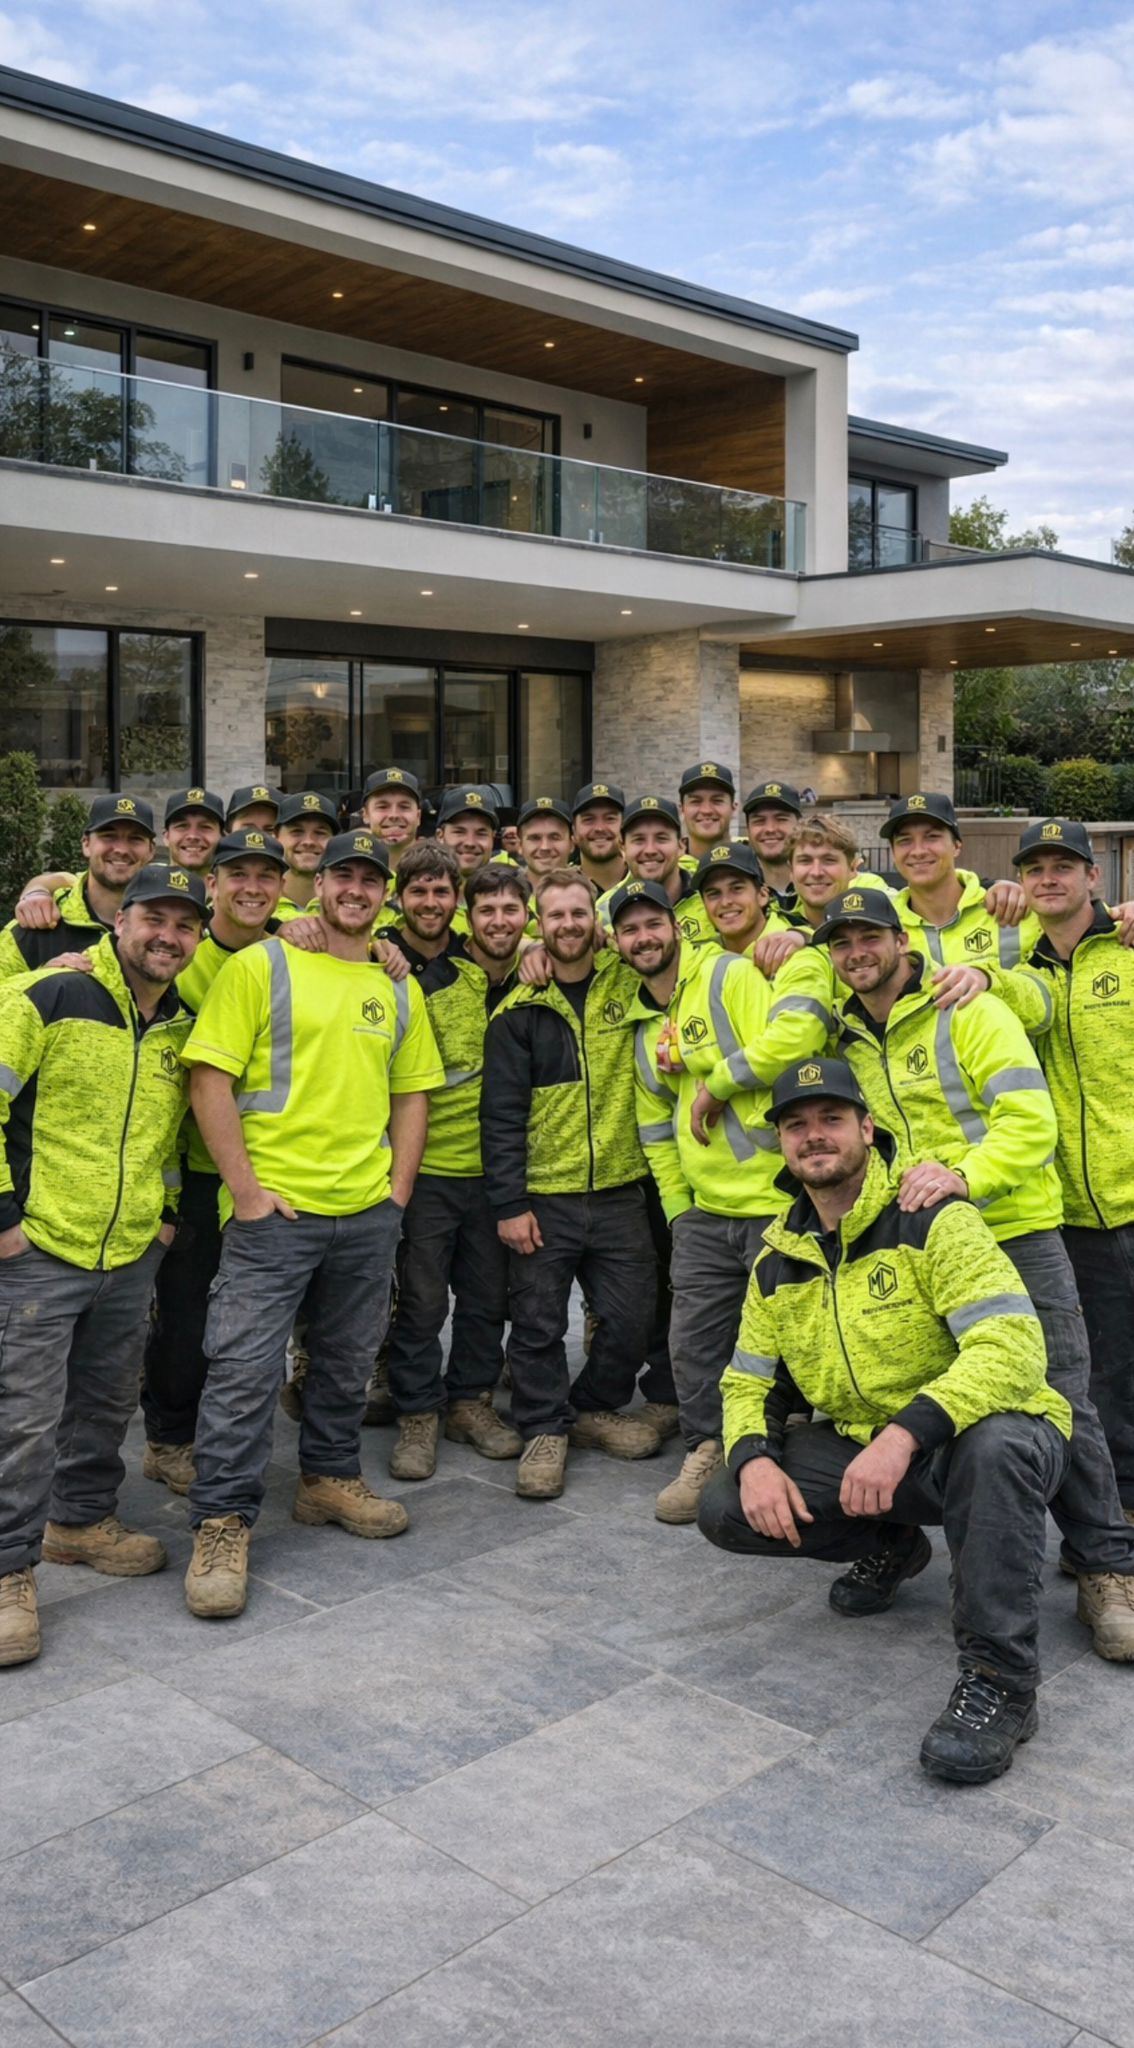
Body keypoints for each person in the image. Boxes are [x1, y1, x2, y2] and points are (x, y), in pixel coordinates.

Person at [699, 1058, 1072, 1786]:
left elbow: (1014, 1347)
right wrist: (753, 1459)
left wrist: (906, 1434)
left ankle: (1001, 1681)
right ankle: (893, 1546)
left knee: (995, 1446)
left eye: (831, 1119)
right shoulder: (777, 1257)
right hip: (864, 1449)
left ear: (867, 1129)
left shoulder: (932, 1216)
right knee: (725, 1506)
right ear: (781, 1144)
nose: (814, 1136)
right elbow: (748, 1380)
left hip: (976, 1438)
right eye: (796, 1125)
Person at [821, 884, 1134, 1658]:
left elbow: (1030, 1122)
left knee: (1065, 1397)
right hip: (927, 1249)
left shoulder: (967, 1005)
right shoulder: (846, 1043)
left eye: (869, 937)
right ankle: (901, 1541)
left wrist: (966, 1173)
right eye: (841, 943)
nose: (857, 952)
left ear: (900, 939)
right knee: (913, 1388)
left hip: (1015, 1228)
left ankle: (1105, 1567)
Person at [180, 828, 443, 1620]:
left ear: (383, 892)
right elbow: (209, 1081)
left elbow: (411, 1094)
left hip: (364, 1213)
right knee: (243, 1371)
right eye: (343, 878)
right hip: (276, 1212)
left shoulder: (397, 984)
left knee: (345, 1359)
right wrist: (249, 1193)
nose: (356, 890)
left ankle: (328, 1480)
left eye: (370, 880)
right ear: (316, 884)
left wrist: (395, 1194)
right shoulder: (262, 964)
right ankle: (222, 1521)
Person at [0, 864, 207, 1668]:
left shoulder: (180, 1024)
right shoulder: (50, 996)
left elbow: (163, 1139)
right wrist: (5, 1222)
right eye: (154, 917)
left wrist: (159, 1220)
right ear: (118, 921)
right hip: (40, 1248)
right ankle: (9, 1570)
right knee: (21, 1417)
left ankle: (79, 1522)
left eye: (185, 925)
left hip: (126, 1257)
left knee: (106, 1399)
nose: (169, 935)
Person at [619, 852, 831, 1524]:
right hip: (706, 1214)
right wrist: (680, 1212)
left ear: (678, 928)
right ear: (617, 945)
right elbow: (655, 1130)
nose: (644, 938)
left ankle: (786, 1450)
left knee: (797, 1341)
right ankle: (707, 1447)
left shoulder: (732, 974)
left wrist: (714, 1074)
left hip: (776, 1200)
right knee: (698, 1343)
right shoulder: (645, 1025)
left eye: (654, 923)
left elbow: (791, 1048)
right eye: (629, 930)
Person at [481, 867, 662, 1500]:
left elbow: (674, 954)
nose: (567, 925)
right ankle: (544, 1428)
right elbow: (500, 1116)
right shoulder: (519, 1011)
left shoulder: (629, 980)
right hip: (545, 1196)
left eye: (578, 913)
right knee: (536, 1323)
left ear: (597, 921)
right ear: (539, 924)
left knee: (633, 1316)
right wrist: (509, 1202)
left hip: (620, 1189)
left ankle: (591, 1407)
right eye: (553, 916)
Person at [140, 829, 289, 1494]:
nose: (251, 887)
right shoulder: (183, 954)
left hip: (271, 1169)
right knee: (186, 1313)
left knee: (256, 1318)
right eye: (238, 875)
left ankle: (227, 1430)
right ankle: (170, 1438)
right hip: (193, 1171)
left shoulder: (292, 953)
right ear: (213, 884)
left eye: (266, 875)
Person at [382, 848, 527, 1478]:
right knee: (419, 1299)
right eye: (421, 892)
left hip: (493, 1171)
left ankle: (470, 1400)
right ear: (401, 897)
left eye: (443, 892)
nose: (431, 904)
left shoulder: (487, 966)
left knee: (485, 1297)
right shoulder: (397, 968)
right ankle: (418, 1412)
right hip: (426, 1168)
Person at [1011, 819, 1134, 1524]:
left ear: (1095, 876)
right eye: (1036, 868)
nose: (1049, 878)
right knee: (1106, 1377)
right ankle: (1121, 1520)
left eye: (1065, 865)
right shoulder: (1025, 976)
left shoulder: (1127, 946)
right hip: (1078, 1218)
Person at [0, 794, 157, 977]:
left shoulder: (169, 923)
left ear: (151, 850)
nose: (121, 849)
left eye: (135, 839)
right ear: (86, 844)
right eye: (109, 836)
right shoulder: (38, 926)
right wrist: (42, 983)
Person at [883, 791, 1033, 969]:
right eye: (905, 840)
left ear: (956, 846)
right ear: (893, 853)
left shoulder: (1011, 905)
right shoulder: (884, 924)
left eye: (932, 837)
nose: (918, 851)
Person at [597, 796, 716, 948]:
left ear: (681, 846)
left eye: (661, 838)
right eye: (639, 840)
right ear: (622, 848)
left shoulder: (711, 897)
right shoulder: (603, 913)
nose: (650, 850)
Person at [273, 791, 338, 919]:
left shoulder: (346, 904)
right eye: (297, 832)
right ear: (276, 837)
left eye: (320, 833)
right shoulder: (261, 902)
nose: (308, 842)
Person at [742, 781, 804, 909]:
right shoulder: (739, 896)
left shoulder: (823, 886)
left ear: (800, 825)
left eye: (781, 819)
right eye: (759, 821)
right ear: (748, 830)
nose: (770, 829)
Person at [570, 782, 629, 893]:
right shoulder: (560, 888)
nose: (599, 828)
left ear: (624, 827)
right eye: (588, 819)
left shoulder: (645, 882)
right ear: (574, 831)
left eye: (610, 818)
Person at [359, 768, 422, 866]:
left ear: (418, 816)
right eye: (382, 807)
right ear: (365, 814)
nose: (394, 815)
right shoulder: (351, 872)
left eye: (404, 807)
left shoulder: (439, 871)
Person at [677, 762, 737, 865]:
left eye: (717, 800)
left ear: (733, 808)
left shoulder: (755, 860)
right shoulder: (668, 867)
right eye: (695, 801)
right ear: (682, 809)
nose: (706, 810)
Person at [162, 788, 226, 877]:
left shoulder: (240, 889)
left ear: (222, 837)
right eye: (182, 826)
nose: (193, 836)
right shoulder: (145, 887)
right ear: (166, 837)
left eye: (205, 827)